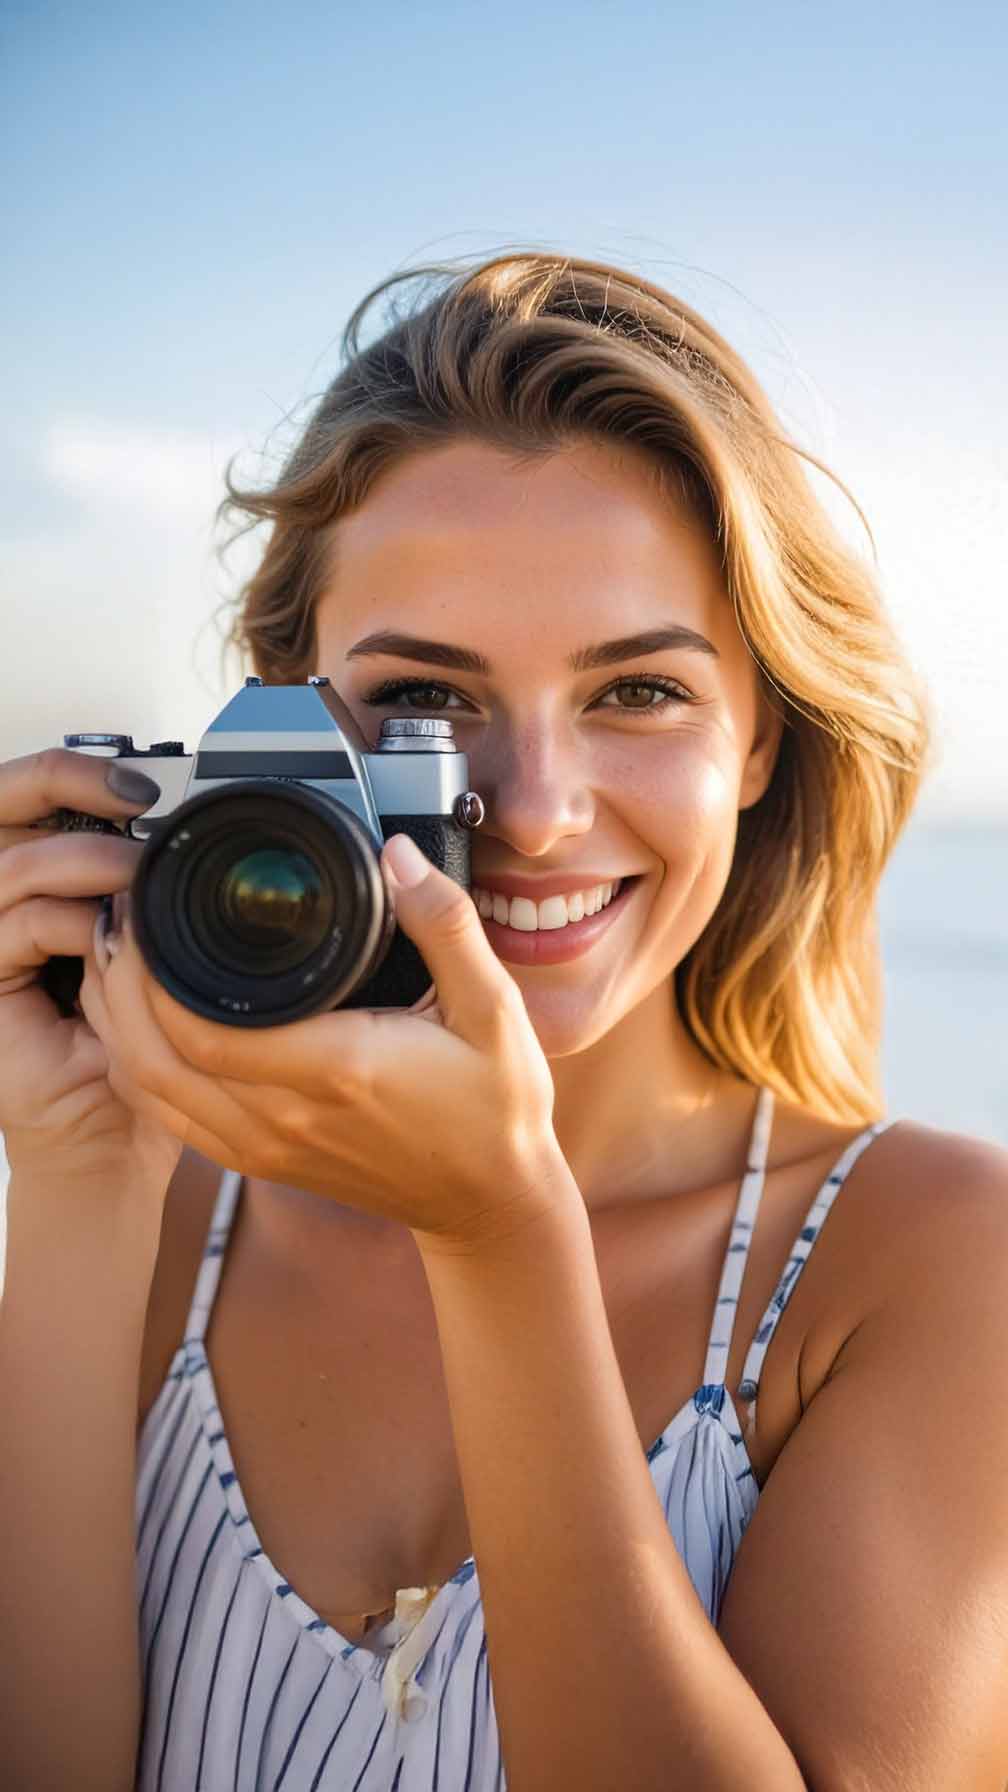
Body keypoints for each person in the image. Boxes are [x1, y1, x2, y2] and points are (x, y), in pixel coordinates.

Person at [1, 253, 1006, 1792]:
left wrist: (502, 1241)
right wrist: (75, 1176)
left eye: (640, 694)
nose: (531, 811)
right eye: (424, 703)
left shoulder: (932, 1261)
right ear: (291, 733)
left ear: (760, 739)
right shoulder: (156, 1215)